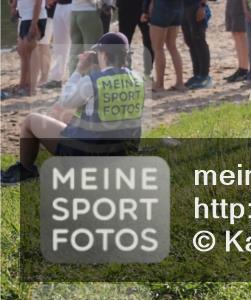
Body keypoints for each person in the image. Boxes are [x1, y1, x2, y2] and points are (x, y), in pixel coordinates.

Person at [1, 32, 144, 186]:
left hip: (90, 157)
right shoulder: (138, 79)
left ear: (104, 54)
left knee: (31, 121)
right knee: (67, 118)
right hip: (124, 152)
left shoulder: (93, 80)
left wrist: (79, 71)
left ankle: (26, 170)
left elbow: (65, 101)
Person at [10, 0, 45, 97]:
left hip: (34, 18)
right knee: (22, 52)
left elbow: (39, 0)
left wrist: (34, 23)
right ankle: (23, 85)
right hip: (24, 17)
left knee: (28, 53)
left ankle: (30, 87)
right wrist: (14, 6)